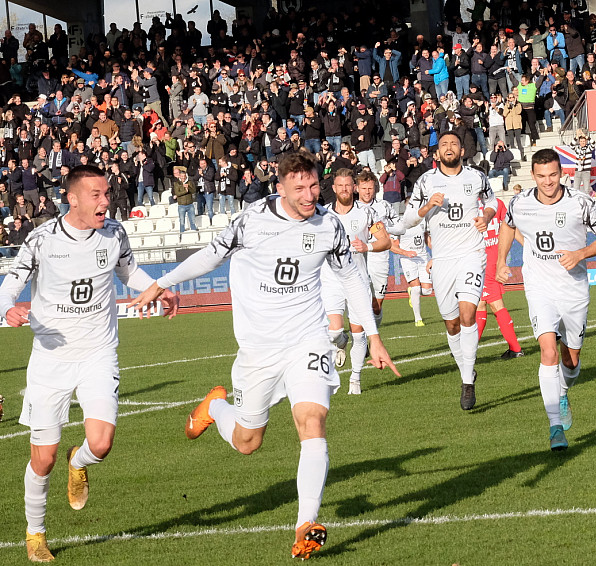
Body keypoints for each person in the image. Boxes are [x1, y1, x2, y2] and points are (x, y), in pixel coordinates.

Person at [128, 152, 398, 560]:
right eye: (299, 188)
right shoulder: (251, 221)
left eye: (314, 186)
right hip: (259, 350)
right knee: (247, 442)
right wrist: (162, 282)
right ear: (280, 187)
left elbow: (353, 278)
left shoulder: (329, 226)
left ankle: (305, 524)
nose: (309, 195)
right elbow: (209, 255)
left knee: (313, 420)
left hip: (308, 339)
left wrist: (374, 338)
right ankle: (215, 407)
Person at [0, 165, 178, 562]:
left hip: (98, 352)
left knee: (100, 444)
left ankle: (77, 462)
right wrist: (8, 308)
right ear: (72, 199)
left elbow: (130, 272)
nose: (105, 202)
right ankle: (36, 532)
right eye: (96, 195)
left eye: (107, 193)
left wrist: (158, 289)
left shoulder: (114, 233)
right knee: (42, 459)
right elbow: (9, 286)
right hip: (51, 359)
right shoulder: (42, 239)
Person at [495, 148, 596, 450]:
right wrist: (501, 260)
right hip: (539, 287)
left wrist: (580, 254)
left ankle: (562, 391)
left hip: (573, 290)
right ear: (532, 175)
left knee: (570, 360)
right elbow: (507, 225)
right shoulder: (520, 202)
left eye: (552, 175)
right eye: (541, 176)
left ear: (561, 173)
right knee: (548, 351)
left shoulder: (581, 203)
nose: (547, 182)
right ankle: (555, 427)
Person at [401, 131, 497, 410]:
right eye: (444, 144)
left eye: (454, 143)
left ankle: (467, 382)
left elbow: (492, 202)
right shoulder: (425, 181)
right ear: (437, 153)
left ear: (462, 151)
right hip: (442, 259)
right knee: (452, 324)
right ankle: (466, 370)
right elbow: (408, 219)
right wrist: (426, 207)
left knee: (468, 314)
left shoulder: (476, 177)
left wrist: (486, 215)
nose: (449, 147)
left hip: (471, 254)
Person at [320, 168, 393, 393]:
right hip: (331, 280)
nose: (344, 189)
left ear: (354, 187)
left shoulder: (367, 213)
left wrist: (367, 246)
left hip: (358, 281)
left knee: (359, 333)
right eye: (340, 185)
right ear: (334, 188)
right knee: (334, 331)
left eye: (348, 185)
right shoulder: (322, 215)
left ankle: (355, 378)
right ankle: (340, 343)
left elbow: (386, 241)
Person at [355, 171, 404, 326]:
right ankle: (363, 335)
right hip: (359, 256)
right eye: (364, 188)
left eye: (370, 188)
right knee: (358, 300)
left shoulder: (384, 206)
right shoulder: (352, 208)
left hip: (380, 256)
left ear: (375, 188)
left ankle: (374, 328)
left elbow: (400, 227)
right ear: (357, 188)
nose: (367, 192)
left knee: (376, 305)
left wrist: (383, 229)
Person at [477, 197, 523, 359]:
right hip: (492, 258)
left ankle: (516, 349)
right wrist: (527, 245)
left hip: (483, 260)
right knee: (480, 303)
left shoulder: (470, 204)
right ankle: (467, 349)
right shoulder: (497, 203)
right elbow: (511, 227)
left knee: (494, 303)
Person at [395, 217, 433, 326]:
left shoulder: (423, 220)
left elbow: (427, 238)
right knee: (416, 287)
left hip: (423, 257)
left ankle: (412, 293)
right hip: (407, 259)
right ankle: (418, 319)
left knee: (427, 291)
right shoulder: (400, 223)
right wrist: (405, 252)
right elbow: (392, 245)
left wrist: (436, 250)